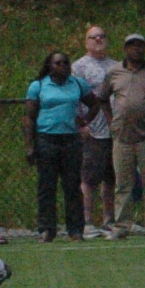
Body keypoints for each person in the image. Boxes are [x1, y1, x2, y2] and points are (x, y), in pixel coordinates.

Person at [102, 33, 145, 239]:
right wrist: (111, 121)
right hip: (122, 136)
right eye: (132, 45)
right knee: (123, 184)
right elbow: (102, 98)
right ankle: (122, 225)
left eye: (140, 45)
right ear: (125, 49)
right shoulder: (114, 72)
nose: (136, 49)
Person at [22, 48, 86, 251]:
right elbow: (29, 117)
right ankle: (47, 229)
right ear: (49, 66)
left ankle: (75, 229)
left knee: (72, 186)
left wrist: (85, 121)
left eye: (65, 63)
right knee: (46, 186)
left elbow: (94, 104)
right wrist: (30, 145)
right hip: (46, 140)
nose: (62, 66)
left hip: (71, 140)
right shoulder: (39, 86)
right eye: (58, 63)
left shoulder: (77, 84)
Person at [71, 24, 116, 234]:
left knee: (112, 177)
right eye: (93, 37)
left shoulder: (116, 66)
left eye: (101, 36)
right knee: (89, 177)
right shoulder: (79, 67)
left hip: (114, 128)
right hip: (92, 130)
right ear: (86, 42)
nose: (98, 40)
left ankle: (110, 219)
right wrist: (81, 124)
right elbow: (74, 97)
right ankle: (87, 221)